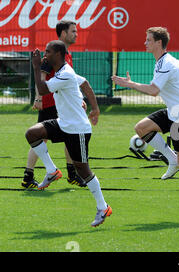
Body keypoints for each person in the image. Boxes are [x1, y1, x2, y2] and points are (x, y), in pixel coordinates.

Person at [111, 27, 179, 221]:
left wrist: (130, 84)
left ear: (158, 43)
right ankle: (171, 159)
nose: (145, 43)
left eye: (148, 40)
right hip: (174, 113)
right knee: (141, 128)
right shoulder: (168, 60)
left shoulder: (166, 64)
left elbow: (153, 91)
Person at [27, 40, 110, 227]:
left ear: (58, 54)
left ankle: (103, 207)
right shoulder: (63, 72)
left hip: (77, 129)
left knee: (82, 169)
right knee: (32, 134)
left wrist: (36, 67)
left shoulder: (65, 74)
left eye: (48, 52)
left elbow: (41, 89)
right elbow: (86, 83)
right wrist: (95, 109)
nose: (45, 55)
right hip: (63, 123)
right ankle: (51, 170)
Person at [22, 20, 91, 189]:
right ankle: (28, 175)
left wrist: (79, 98)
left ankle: (71, 174)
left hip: (62, 105)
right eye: (73, 31)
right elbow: (42, 77)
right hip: (50, 104)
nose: (76, 34)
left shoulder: (67, 53)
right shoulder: (52, 54)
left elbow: (72, 81)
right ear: (63, 33)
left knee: (70, 135)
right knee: (41, 139)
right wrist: (38, 99)